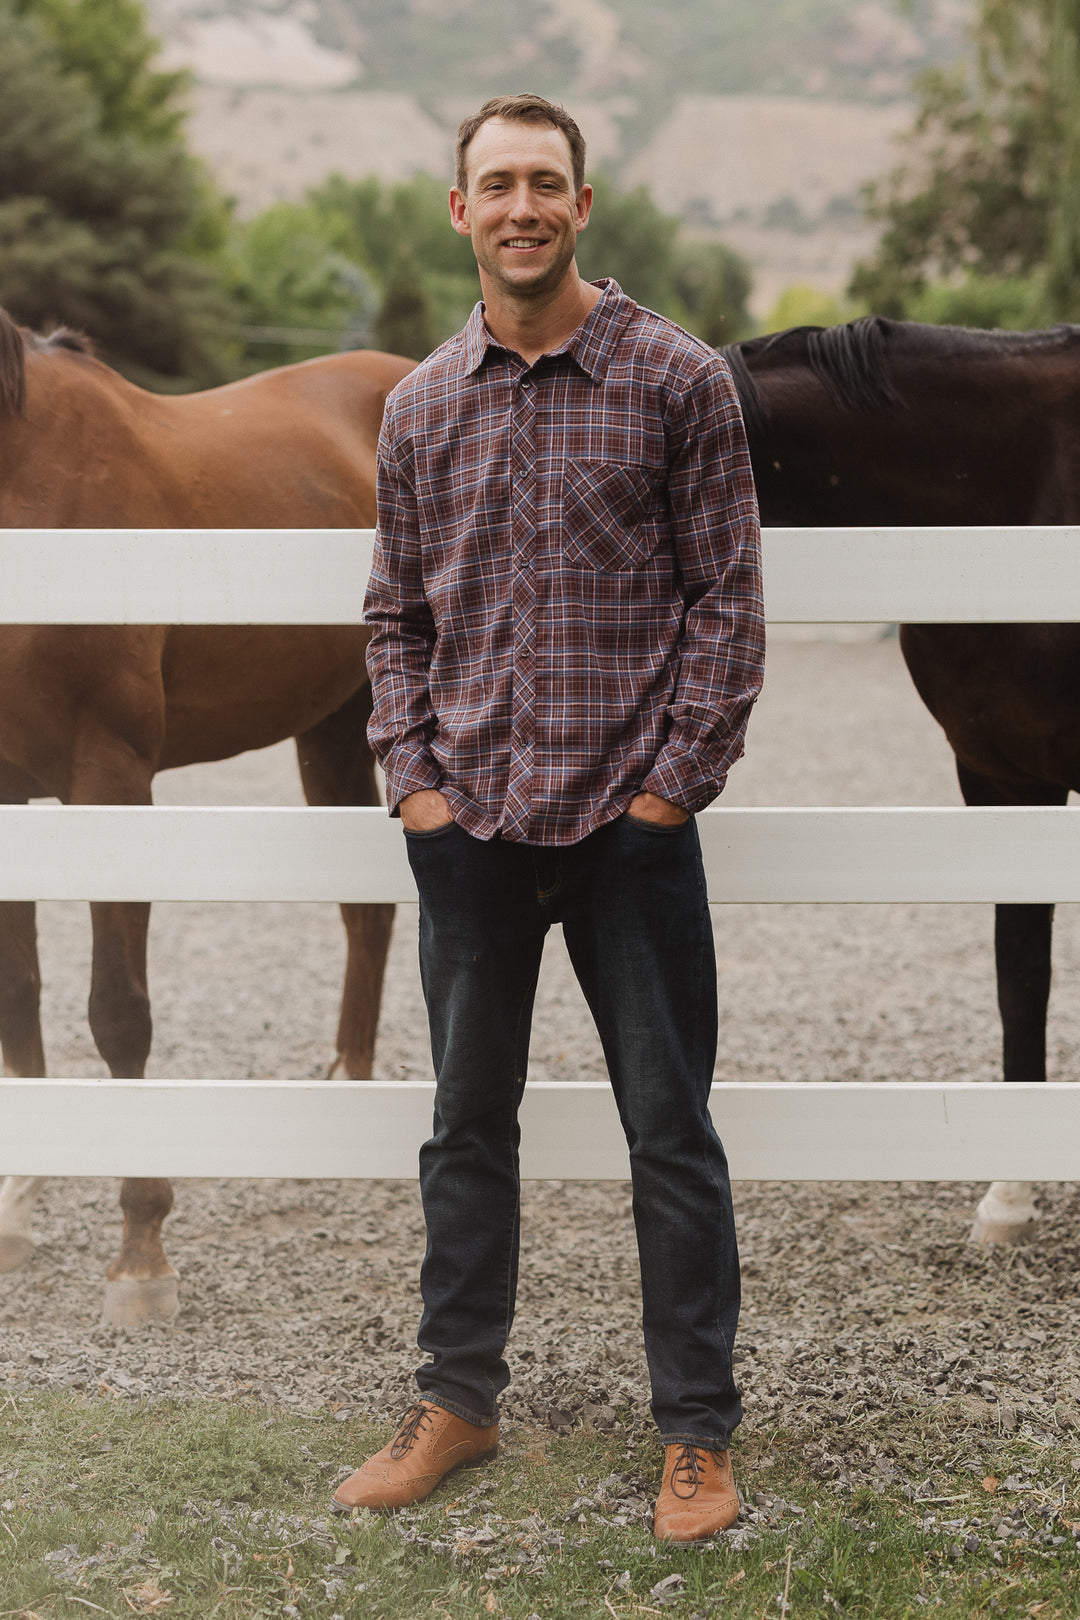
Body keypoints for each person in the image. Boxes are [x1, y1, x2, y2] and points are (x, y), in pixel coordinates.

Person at [333, 93, 764, 1543]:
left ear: (583, 204)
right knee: (464, 1127)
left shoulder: (677, 380)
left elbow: (727, 604)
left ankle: (696, 1436)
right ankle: (457, 1401)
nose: (521, 207)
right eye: (495, 185)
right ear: (460, 212)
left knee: (670, 1133)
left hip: (628, 836)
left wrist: (665, 793)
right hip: (473, 835)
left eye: (545, 183)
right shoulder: (418, 407)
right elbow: (393, 619)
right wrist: (418, 787)